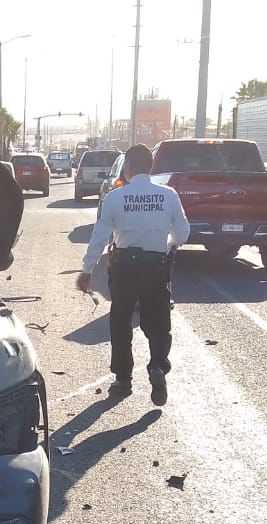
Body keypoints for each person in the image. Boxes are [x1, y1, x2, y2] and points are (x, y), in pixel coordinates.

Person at [76, 143, 190, 406]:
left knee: (121, 322)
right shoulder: (169, 195)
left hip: (124, 268)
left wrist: (87, 270)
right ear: (150, 167)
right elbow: (183, 234)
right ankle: (158, 366)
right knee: (158, 323)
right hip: (155, 267)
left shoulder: (114, 198)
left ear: (127, 167)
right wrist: (167, 243)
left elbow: (99, 238)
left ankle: (123, 380)